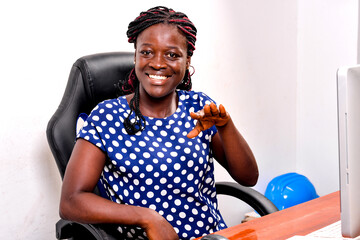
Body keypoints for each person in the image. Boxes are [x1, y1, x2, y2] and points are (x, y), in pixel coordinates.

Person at [60, 6, 258, 240]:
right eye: (147, 52)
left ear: (187, 62)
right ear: (135, 56)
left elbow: (248, 178)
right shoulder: (107, 117)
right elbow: (71, 201)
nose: (157, 63)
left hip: (214, 237)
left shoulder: (199, 108)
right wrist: (147, 217)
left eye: (172, 55)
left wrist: (226, 127)